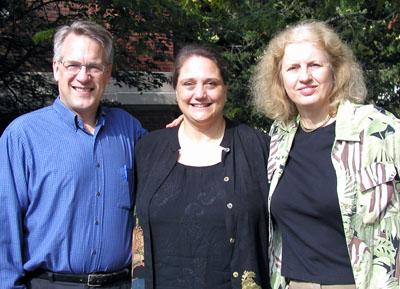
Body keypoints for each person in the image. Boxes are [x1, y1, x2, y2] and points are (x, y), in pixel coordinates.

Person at [251, 20, 400, 289]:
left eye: (315, 66)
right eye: (293, 68)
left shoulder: (378, 130)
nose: (304, 77)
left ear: (336, 71)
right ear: (280, 79)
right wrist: (192, 125)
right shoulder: (279, 136)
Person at [0, 20, 147, 288]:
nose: (83, 76)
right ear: (56, 69)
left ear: (107, 73)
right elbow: (4, 230)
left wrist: (190, 126)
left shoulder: (130, 130)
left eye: (94, 66)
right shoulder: (22, 136)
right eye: (73, 66)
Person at [131, 44, 270, 289]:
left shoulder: (259, 149)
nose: (200, 93)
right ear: (175, 89)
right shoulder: (147, 150)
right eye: (189, 84)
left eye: (211, 83)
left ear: (225, 89)